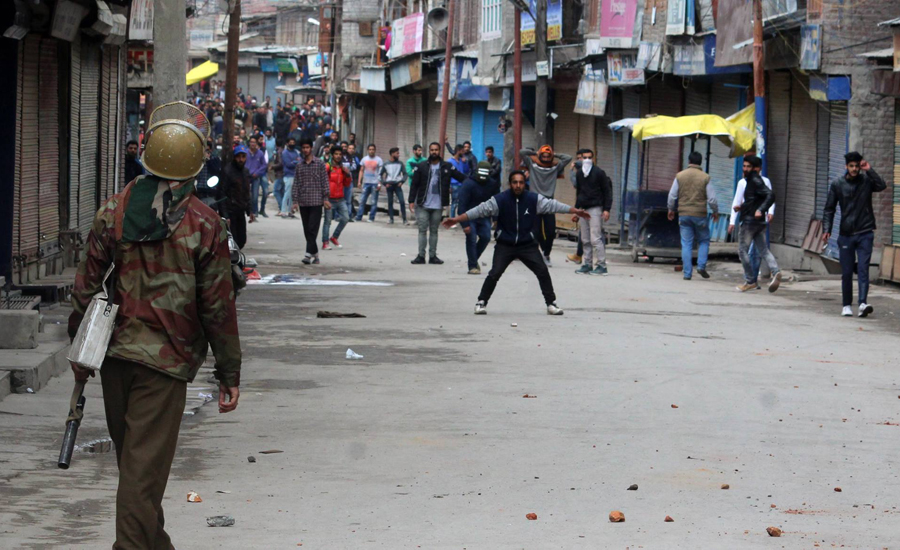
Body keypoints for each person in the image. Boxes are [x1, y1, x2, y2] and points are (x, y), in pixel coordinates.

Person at [68, 102, 241, 550]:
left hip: (114, 359)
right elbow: (217, 306)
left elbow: (84, 290)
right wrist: (229, 373)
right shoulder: (204, 225)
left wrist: (80, 354)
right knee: (140, 476)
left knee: (137, 469)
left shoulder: (113, 210)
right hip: (164, 366)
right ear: (196, 163)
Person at [444, 170, 591, 315]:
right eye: (515, 182)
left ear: (524, 184)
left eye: (521, 182)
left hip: (527, 244)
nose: (518, 185)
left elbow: (554, 205)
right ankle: (481, 302)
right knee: (495, 273)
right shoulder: (500, 200)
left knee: (542, 271)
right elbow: (478, 210)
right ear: (510, 184)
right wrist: (457, 219)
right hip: (505, 244)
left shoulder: (533, 199)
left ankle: (551, 304)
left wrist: (575, 211)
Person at [822, 151, 887, 318]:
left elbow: (881, 186)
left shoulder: (866, 181)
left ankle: (863, 304)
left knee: (864, 269)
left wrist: (869, 170)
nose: (854, 169)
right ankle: (846, 305)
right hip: (846, 234)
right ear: (846, 166)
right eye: (851, 166)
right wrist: (827, 229)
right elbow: (829, 208)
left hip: (865, 232)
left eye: (857, 166)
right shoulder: (837, 184)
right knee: (847, 272)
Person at [407, 142, 467, 265]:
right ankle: (421, 256)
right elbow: (415, 185)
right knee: (422, 229)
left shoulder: (447, 166)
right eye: (432, 150)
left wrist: (476, 182)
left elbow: (462, 178)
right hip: (423, 204)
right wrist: (411, 200)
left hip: (438, 205)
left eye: (436, 150)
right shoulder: (421, 166)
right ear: (429, 151)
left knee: (434, 230)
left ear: (439, 151)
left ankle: (433, 256)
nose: (434, 152)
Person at [666, 152, 718, 280]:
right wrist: (715, 212)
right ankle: (701, 266)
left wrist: (670, 209)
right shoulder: (705, 177)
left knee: (686, 243)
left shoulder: (680, 176)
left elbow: (672, 195)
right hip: (700, 214)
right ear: (701, 162)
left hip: (684, 214)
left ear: (688, 161)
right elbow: (712, 199)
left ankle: (687, 273)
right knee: (704, 240)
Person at [519, 145, 573, 265]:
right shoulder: (532, 165)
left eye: (549, 156)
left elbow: (568, 158)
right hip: (534, 201)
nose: (546, 158)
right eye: (544, 155)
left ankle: (546, 254)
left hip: (549, 202)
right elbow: (522, 152)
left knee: (550, 231)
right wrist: (535, 152)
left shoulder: (555, 167)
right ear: (540, 155)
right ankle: (535, 255)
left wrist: (555, 153)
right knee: (536, 231)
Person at [735, 155, 781, 293]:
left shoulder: (755, 180)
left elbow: (770, 195)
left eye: (748, 167)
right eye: (744, 166)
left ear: (756, 169)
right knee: (763, 250)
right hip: (758, 222)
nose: (745, 169)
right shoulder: (751, 181)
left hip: (750, 223)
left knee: (742, 251)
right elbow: (753, 200)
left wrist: (761, 210)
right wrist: (741, 207)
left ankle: (750, 281)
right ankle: (776, 271)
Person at [573, 149, 614, 276]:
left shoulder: (599, 173)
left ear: (593, 158)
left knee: (595, 238)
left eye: (589, 157)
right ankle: (587, 264)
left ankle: (601, 265)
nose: (587, 160)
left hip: (595, 208)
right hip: (583, 208)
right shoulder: (579, 174)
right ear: (580, 158)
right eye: (584, 157)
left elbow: (607, 191)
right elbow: (579, 192)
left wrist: (607, 209)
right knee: (585, 239)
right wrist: (576, 210)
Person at [292, 138, 331, 264]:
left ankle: (308, 255)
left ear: (311, 148)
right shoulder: (299, 166)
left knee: (312, 228)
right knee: (306, 229)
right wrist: (295, 201)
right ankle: (316, 254)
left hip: (316, 201)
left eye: (307, 147)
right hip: (304, 202)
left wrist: (325, 198)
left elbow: (324, 181)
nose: (305, 150)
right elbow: (296, 184)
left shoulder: (319, 164)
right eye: (303, 148)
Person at [457, 162, 498, 274]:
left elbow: (496, 202)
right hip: (469, 216)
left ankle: (473, 259)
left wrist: (496, 218)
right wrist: (464, 224)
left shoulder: (492, 184)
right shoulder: (468, 184)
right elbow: (462, 204)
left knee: (486, 237)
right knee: (471, 239)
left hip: (484, 216)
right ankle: (473, 266)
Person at [219, 144, 255, 248]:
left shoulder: (245, 172)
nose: (241, 159)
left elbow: (246, 192)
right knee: (232, 240)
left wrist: (250, 210)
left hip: (240, 210)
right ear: (234, 157)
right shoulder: (227, 171)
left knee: (242, 240)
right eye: (238, 157)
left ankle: (235, 260)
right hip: (230, 211)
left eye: (243, 157)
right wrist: (225, 215)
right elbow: (221, 193)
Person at [322, 145, 351, 250]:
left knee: (346, 218)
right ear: (332, 155)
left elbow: (347, 184)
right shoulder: (327, 167)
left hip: (341, 198)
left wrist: (347, 174)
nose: (338, 156)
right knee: (328, 221)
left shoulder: (343, 168)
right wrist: (324, 198)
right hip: (329, 199)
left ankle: (334, 237)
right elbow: (322, 182)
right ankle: (325, 242)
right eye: (336, 154)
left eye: (340, 154)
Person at [356, 144, 383, 222]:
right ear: (368, 150)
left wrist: (379, 183)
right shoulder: (364, 159)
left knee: (374, 201)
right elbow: (361, 170)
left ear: (375, 150)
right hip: (366, 183)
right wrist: (359, 182)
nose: (371, 151)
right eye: (370, 149)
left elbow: (381, 173)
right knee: (362, 200)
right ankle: (359, 216)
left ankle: (371, 217)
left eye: (373, 149)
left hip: (375, 183)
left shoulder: (379, 160)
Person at [381, 147, 408, 224]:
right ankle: (391, 219)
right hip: (389, 185)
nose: (398, 155)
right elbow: (380, 175)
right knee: (390, 202)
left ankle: (404, 219)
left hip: (397, 185)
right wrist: (384, 183)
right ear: (392, 154)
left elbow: (405, 174)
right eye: (397, 153)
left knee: (402, 201)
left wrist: (402, 181)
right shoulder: (386, 164)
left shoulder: (400, 163)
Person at [246, 136, 269, 218]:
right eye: (251, 142)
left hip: (256, 176)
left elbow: (264, 165)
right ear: (249, 143)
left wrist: (257, 172)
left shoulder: (260, 153)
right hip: (246, 176)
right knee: (247, 194)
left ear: (256, 144)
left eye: (254, 142)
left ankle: (255, 211)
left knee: (255, 195)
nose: (253, 144)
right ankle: (249, 210)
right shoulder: (245, 152)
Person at [448, 144, 470, 221]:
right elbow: (448, 175)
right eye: (462, 151)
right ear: (459, 151)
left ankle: (460, 219)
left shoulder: (462, 161)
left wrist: (465, 163)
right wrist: (449, 186)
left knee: (462, 202)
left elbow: (466, 171)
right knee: (454, 203)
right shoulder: (450, 161)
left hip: (462, 184)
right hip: (454, 185)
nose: (463, 153)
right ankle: (452, 219)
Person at [280, 137, 300, 218]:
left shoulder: (296, 152)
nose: (292, 144)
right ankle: (283, 211)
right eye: (290, 142)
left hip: (295, 175)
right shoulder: (285, 153)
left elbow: (300, 160)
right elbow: (288, 164)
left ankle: (290, 211)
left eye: (293, 142)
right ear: (287, 143)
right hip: (288, 175)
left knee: (292, 195)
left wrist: (295, 162)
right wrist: (296, 162)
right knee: (287, 194)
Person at [345, 143, 361, 220]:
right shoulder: (342, 157)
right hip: (341, 181)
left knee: (349, 199)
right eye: (349, 148)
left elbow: (355, 167)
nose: (351, 150)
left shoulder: (354, 158)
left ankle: (349, 215)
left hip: (350, 179)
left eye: (352, 148)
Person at [270, 138, 285, 216]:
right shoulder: (283, 151)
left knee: (276, 191)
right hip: (283, 174)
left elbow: (280, 163)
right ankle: (282, 209)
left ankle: (282, 208)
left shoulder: (279, 152)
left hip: (280, 174)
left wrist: (273, 166)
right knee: (281, 192)